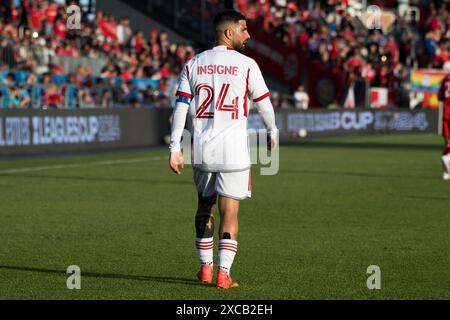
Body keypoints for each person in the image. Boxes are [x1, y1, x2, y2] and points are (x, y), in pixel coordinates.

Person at [168, 10, 278, 289]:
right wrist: (272, 131)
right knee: (230, 212)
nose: (248, 35)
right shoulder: (247, 65)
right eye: (243, 29)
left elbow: (180, 107)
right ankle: (223, 274)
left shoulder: (194, 63)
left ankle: (204, 268)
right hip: (234, 153)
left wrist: (175, 147)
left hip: (203, 151)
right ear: (228, 33)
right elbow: (264, 103)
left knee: (204, 207)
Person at [438, 61, 450, 180]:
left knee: (447, 142)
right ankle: (448, 158)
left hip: (446, 113)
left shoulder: (445, 79)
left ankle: (446, 172)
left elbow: (439, 96)